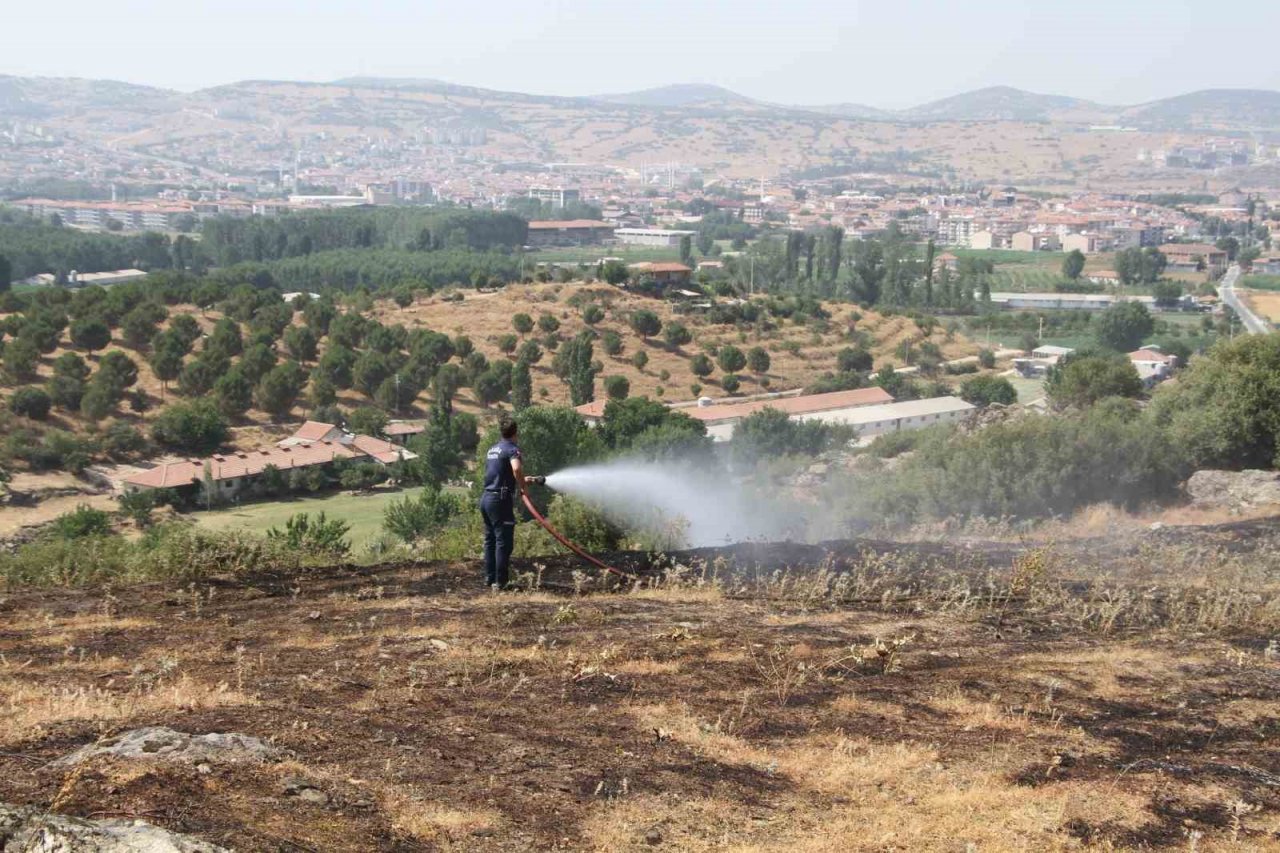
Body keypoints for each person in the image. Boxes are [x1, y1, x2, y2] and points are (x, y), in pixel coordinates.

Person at [479, 416, 542, 589]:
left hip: (486, 498)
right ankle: (501, 582)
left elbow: (501, 473)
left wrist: (525, 480)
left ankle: (490, 579)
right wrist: (523, 487)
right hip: (500, 501)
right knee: (503, 542)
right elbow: (516, 468)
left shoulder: (493, 449)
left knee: (490, 540)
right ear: (516, 432)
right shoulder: (512, 449)